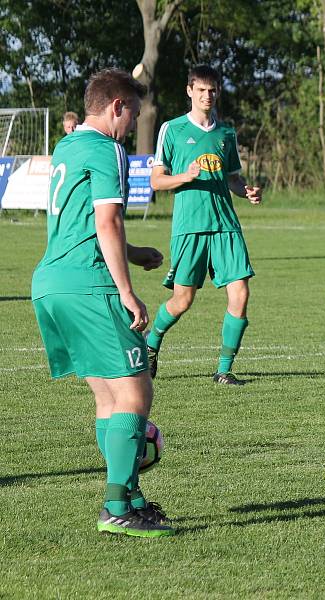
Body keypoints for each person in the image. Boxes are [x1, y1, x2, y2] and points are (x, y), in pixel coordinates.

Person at [31, 69, 173, 537]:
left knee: (108, 396)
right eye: (133, 112)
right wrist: (127, 289)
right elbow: (108, 221)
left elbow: (85, 222)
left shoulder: (67, 145)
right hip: (89, 285)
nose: (134, 123)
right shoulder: (108, 148)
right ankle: (116, 507)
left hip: (52, 281)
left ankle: (130, 497)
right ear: (116, 106)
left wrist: (134, 253)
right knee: (135, 392)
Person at [146, 65, 262, 385]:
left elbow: (233, 179)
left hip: (225, 224)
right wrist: (186, 176)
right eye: (201, 90)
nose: (207, 96)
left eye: (212, 90)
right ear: (190, 91)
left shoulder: (226, 133)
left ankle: (224, 370)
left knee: (240, 293)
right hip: (190, 226)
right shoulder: (172, 129)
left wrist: (246, 191)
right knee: (183, 300)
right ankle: (151, 344)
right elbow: (157, 181)